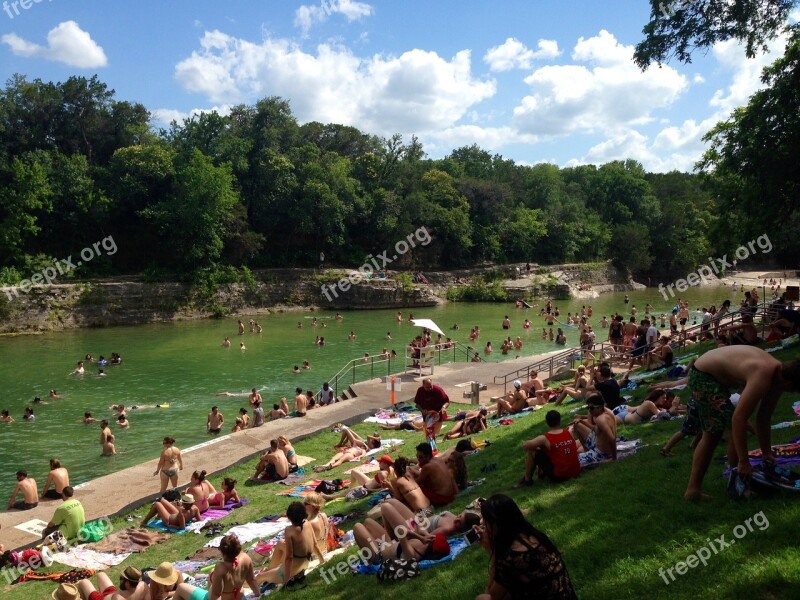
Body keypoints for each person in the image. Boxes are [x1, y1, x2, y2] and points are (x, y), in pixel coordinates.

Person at [684, 345, 800, 501]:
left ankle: (703, 488)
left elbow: (764, 417)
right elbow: (739, 419)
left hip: (712, 375)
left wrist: (767, 453)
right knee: (719, 433)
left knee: (718, 433)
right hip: (703, 376)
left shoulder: (778, 374)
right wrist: (744, 462)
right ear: (789, 385)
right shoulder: (763, 373)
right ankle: (733, 482)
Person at [475, 494, 577, 600]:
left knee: (482, 598)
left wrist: (490, 550)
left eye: (486, 523)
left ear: (496, 524)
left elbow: (493, 595)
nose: (484, 526)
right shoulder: (535, 536)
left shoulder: (512, 557)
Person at [353, 500, 451, 564]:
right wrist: (425, 534)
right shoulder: (422, 545)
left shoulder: (412, 554)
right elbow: (413, 527)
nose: (432, 537)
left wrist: (420, 537)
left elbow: (401, 531)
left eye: (433, 539)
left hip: (378, 554)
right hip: (388, 543)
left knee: (357, 526)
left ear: (431, 545)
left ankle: (370, 559)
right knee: (368, 522)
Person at [176, 534, 259, 600]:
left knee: (180, 587)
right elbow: (251, 580)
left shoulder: (221, 568)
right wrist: (258, 595)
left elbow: (215, 596)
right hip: (240, 598)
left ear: (222, 551)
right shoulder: (246, 558)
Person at [256, 502, 317, 586]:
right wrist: (321, 560)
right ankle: (270, 570)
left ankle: (239, 590)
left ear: (290, 517)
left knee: (259, 577)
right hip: (304, 564)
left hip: (292, 571)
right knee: (281, 544)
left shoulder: (289, 530)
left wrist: (286, 580)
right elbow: (315, 543)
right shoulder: (307, 523)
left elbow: (289, 558)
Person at [515, 410, 580, 487]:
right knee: (548, 450)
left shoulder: (545, 438)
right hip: (575, 472)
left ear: (547, 422)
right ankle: (540, 473)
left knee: (533, 451)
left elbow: (525, 446)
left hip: (560, 476)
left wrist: (538, 445)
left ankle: (527, 480)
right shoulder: (569, 432)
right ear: (559, 420)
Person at [268, 494, 328, 573]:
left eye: (305, 504)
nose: (303, 506)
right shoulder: (323, 515)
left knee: (281, 545)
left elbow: (313, 544)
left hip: (313, 556)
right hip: (324, 550)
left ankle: (270, 571)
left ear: (313, 506)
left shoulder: (310, 523)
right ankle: (272, 569)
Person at [570, 395, 617, 468]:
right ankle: (586, 449)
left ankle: (588, 452)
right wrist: (582, 421)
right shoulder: (607, 411)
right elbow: (597, 429)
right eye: (588, 408)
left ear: (600, 407)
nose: (589, 411)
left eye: (591, 408)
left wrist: (614, 458)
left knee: (572, 461)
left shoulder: (601, 419)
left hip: (601, 453)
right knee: (577, 424)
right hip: (598, 444)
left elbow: (612, 438)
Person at [412, 443, 458, 507]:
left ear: (428, 456)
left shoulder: (427, 467)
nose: (419, 459)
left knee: (414, 489)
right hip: (450, 495)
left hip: (442, 498)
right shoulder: (438, 459)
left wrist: (409, 477)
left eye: (421, 457)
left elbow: (416, 483)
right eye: (417, 457)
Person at [413, 378, 450, 453]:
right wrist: (422, 410)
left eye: (430, 386)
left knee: (432, 433)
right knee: (429, 433)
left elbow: (447, 401)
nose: (429, 388)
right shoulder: (420, 390)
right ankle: (432, 450)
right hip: (427, 416)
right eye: (427, 387)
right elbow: (417, 404)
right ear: (423, 386)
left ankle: (433, 449)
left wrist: (444, 407)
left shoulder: (438, 390)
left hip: (437, 415)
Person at [76, 567, 147, 600]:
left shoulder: (118, 598)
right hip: (112, 593)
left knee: (84, 582)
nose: (119, 580)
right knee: (101, 574)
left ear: (127, 583)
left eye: (121, 578)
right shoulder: (143, 586)